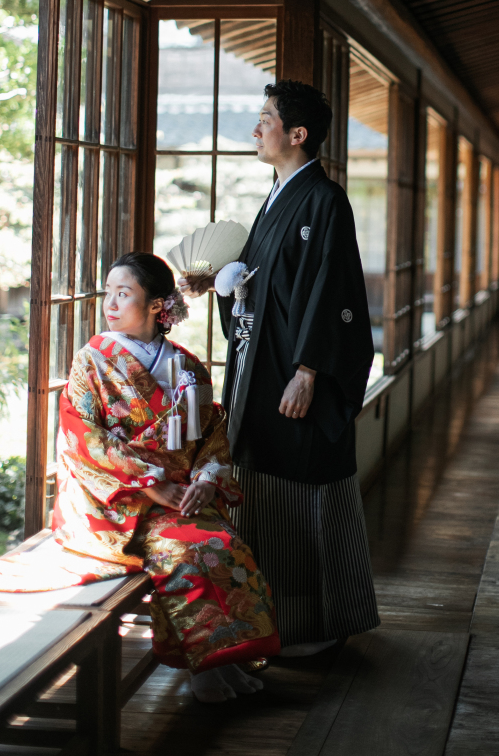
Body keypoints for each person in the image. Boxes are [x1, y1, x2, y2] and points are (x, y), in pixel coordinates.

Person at [183, 81, 380, 656]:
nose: (256, 129)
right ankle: (273, 621)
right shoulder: (275, 198)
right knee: (263, 488)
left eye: (266, 118)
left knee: (305, 489)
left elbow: (333, 290)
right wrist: (219, 284)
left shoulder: (324, 199)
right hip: (259, 369)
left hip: (293, 378)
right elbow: (261, 282)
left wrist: (310, 370)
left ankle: (315, 626)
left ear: (297, 134)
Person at [52, 251, 280, 703]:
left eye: (124, 293)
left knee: (227, 543)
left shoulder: (187, 366)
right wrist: (152, 486)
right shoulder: (92, 360)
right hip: (121, 500)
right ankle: (205, 669)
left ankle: (227, 660)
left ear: (158, 305)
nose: (110, 304)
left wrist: (207, 478)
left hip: (183, 495)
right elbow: (82, 435)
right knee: (192, 548)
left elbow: (212, 432)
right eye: (108, 293)